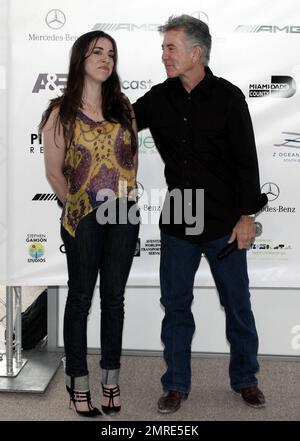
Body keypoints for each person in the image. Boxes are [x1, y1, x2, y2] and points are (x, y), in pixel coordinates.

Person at [133, 15, 268, 414]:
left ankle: (245, 379)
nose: (164, 56)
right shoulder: (159, 98)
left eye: (170, 48)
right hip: (178, 219)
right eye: (163, 48)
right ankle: (175, 385)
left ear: (196, 52)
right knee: (175, 307)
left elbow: (247, 160)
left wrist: (247, 217)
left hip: (225, 221)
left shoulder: (229, 97)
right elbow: (121, 124)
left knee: (238, 305)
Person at [40, 31, 139, 417]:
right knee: (81, 298)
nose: (105, 59)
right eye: (97, 52)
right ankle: (78, 383)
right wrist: (79, 210)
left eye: (111, 54)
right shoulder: (59, 112)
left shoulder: (124, 107)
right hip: (82, 216)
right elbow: (53, 173)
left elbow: (131, 164)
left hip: (124, 214)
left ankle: (110, 381)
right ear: (80, 58)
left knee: (114, 299)